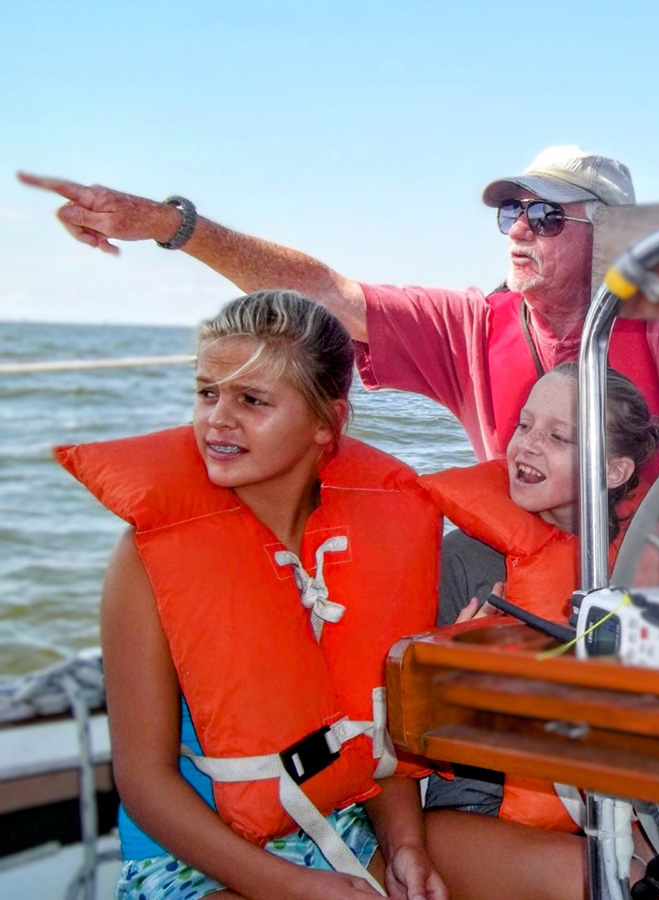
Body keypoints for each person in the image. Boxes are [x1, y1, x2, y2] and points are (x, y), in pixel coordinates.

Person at [19, 145, 659, 478]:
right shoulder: (471, 326)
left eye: (548, 215)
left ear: (613, 235)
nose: (520, 229)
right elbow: (330, 293)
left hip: (639, 576)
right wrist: (171, 227)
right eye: (513, 214)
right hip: (519, 565)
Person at [57, 291, 448, 900]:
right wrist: (295, 887)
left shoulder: (370, 539)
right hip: (192, 858)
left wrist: (406, 848)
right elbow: (144, 783)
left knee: (568, 873)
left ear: (327, 422)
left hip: (347, 821)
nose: (218, 418)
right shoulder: (148, 558)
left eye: (251, 400)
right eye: (207, 392)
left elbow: (371, 728)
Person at [417, 362, 659, 900]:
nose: (525, 446)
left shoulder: (638, 567)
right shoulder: (464, 560)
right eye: (524, 426)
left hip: (608, 801)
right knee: (617, 883)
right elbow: (405, 739)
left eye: (557, 436)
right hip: (473, 816)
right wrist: (448, 676)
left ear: (615, 469)